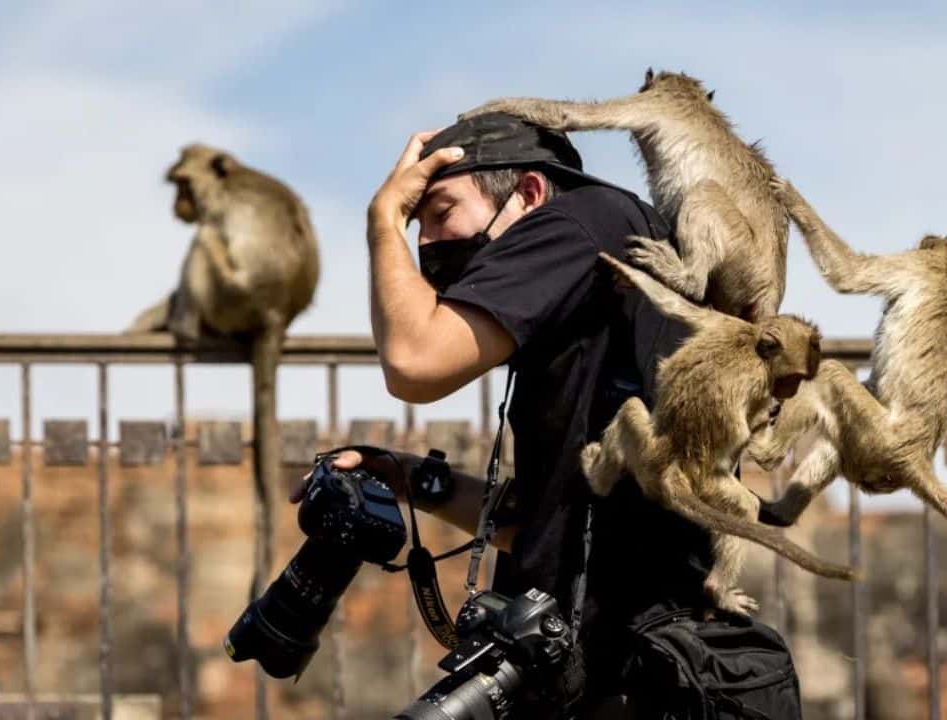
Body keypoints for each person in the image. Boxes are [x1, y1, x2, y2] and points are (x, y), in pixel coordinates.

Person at [293, 113, 801, 718]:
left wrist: (382, 219)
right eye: (412, 222)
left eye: (440, 213)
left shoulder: (580, 222)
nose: (424, 242)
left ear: (529, 194)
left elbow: (413, 363)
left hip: (646, 672)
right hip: (612, 661)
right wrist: (410, 478)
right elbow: (539, 526)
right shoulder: (590, 285)